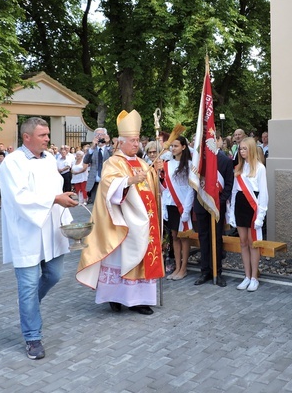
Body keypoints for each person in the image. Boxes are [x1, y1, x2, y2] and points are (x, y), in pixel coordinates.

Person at [0, 117, 79, 360]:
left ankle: (28, 305)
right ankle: (33, 337)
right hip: (27, 233)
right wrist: (55, 199)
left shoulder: (49, 159)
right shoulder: (13, 162)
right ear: (27, 137)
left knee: (54, 275)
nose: (47, 139)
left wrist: (66, 210)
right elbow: (19, 198)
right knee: (29, 283)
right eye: (43, 135)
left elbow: (55, 190)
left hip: (53, 230)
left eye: (47, 135)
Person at [76, 110, 164, 315]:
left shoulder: (142, 162)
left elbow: (154, 189)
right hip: (122, 220)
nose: (136, 144)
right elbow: (108, 186)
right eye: (132, 141)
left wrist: (157, 173)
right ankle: (114, 297)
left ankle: (139, 300)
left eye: (137, 141)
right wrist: (128, 181)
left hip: (144, 220)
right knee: (121, 258)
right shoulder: (113, 162)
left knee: (141, 256)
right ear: (120, 142)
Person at [227, 137, 268, 292]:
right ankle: (246, 275)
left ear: (251, 149)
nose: (242, 151)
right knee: (243, 242)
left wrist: (261, 216)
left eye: (245, 148)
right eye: (240, 149)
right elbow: (234, 191)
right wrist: (231, 213)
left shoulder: (259, 168)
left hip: (253, 207)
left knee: (253, 243)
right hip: (240, 205)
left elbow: (264, 194)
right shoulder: (239, 167)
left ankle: (254, 278)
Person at [194, 146, 234, 287]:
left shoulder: (225, 161)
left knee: (216, 238)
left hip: (217, 206)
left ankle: (217, 271)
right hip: (201, 203)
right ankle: (205, 271)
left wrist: (219, 202)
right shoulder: (199, 160)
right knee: (203, 238)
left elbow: (229, 185)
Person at [160, 135, 195, 281]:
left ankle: (184, 268)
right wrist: (164, 206)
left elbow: (190, 189)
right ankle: (177, 265)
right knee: (174, 236)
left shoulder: (189, 165)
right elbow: (167, 189)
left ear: (183, 147)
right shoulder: (167, 164)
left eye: (176, 146)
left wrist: (186, 210)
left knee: (183, 236)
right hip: (171, 204)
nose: (173, 148)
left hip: (183, 205)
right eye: (172, 146)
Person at [83, 128, 113, 205]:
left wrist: (108, 144)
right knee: (95, 206)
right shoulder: (92, 149)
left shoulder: (109, 148)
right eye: (97, 135)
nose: (99, 137)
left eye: (101, 134)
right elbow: (86, 161)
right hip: (94, 183)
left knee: (106, 205)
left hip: (106, 182)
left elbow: (114, 159)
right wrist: (92, 147)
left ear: (106, 136)